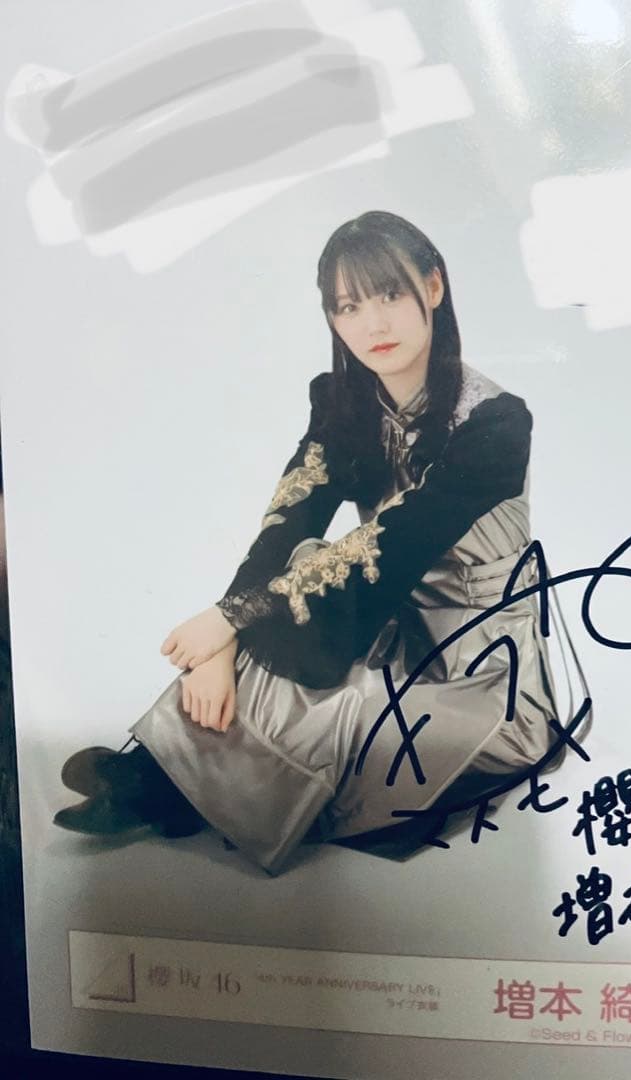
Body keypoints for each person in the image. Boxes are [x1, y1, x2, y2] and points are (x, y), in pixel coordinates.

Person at [54, 210, 565, 874]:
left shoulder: (494, 423)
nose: (373, 324)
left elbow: (393, 546)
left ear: (434, 287)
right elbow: (289, 522)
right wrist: (224, 633)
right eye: (349, 306)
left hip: (479, 662)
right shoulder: (345, 406)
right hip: (387, 621)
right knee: (301, 570)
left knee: (343, 703)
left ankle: (167, 788)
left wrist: (232, 619)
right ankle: (164, 779)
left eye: (389, 294)